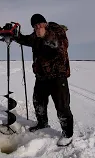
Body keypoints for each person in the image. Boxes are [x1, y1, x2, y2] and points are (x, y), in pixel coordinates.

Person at [12, 13, 74, 146]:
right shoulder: (35, 36)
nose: (37, 27)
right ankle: (42, 123)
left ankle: (68, 134)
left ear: (45, 23)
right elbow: (25, 40)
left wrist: (45, 35)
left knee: (62, 107)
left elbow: (59, 45)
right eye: (35, 26)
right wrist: (14, 35)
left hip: (58, 76)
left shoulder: (58, 32)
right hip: (41, 77)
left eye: (40, 24)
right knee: (38, 102)